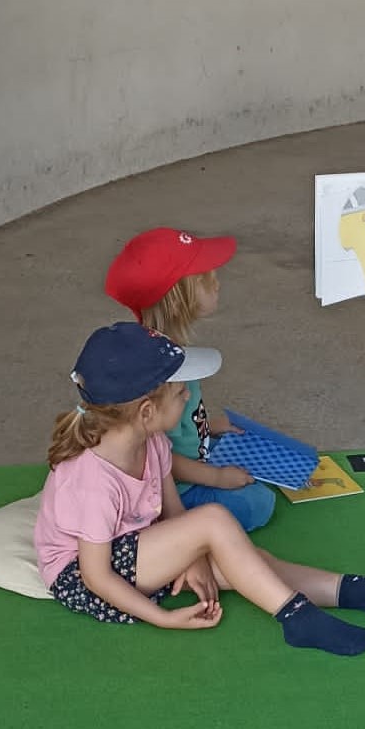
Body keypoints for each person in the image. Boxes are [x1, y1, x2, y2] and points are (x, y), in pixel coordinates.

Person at [33, 323, 365, 656]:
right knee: (213, 521)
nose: (189, 396)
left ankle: (363, 592)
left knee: (248, 560)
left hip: (132, 549)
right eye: (181, 392)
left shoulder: (151, 441)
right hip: (83, 577)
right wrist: (162, 618)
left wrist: (192, 558)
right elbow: (96, 576)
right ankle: (296, 618)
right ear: (146, 411)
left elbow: (174, 514)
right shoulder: (91, 481)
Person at [105, 226, 276, 532]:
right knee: (258, 503)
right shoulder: (159, 372)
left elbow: (179, 423)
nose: (217, 284)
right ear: (177, 300)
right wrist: (217, 478)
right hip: (175, 488)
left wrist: (209, 425)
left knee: (257, 457)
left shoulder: (169, 347)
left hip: (194, 457)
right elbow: (159, 455)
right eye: (205, 280)